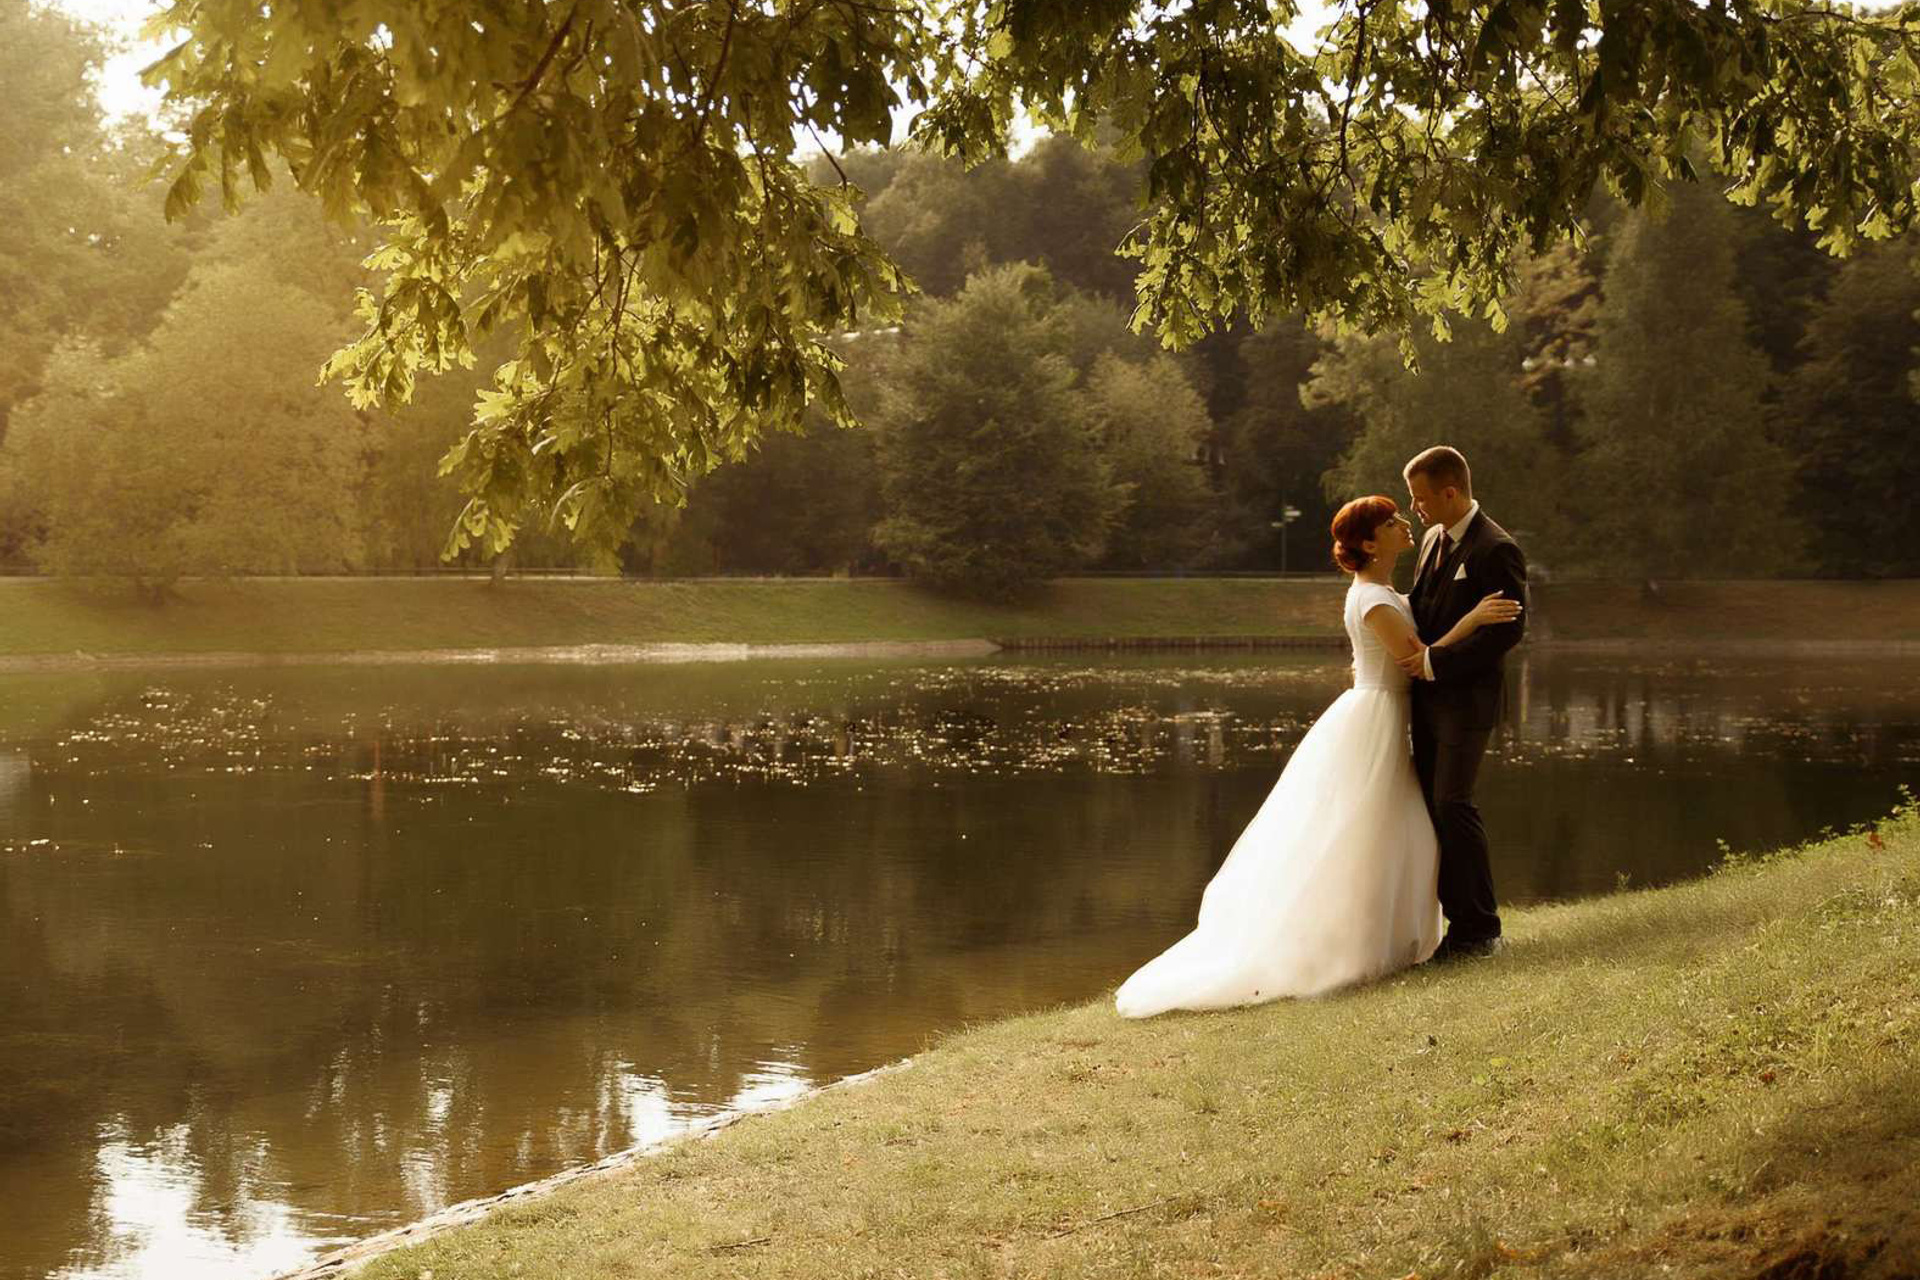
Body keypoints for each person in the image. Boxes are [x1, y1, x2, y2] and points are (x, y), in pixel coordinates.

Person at [1113, 495, 1522, 1018]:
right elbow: (1417, 662)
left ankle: (1385, 937)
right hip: (1377, 715)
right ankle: (1348, 945)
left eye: (1402, 517)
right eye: (1392, 522)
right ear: (1370, 543)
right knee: (1360, 829)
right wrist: (1474, 620)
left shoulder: (1384, 590)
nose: (1404, 525)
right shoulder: (1372, 599)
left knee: (1392, 829)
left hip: (1384, 712)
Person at [1396, 446, 1529, 962]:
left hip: (1468, 702)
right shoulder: (1432, 540)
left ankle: (1480, 929)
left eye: (1421, 497)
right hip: (1427, 702)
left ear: (1450, 492)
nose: (1416, 509)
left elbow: (1508, 632)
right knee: (1434, 808)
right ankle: (1457, 928)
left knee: (1454, 803)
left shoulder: (1497, 548)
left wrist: (1435, 664)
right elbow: (1423, 610)